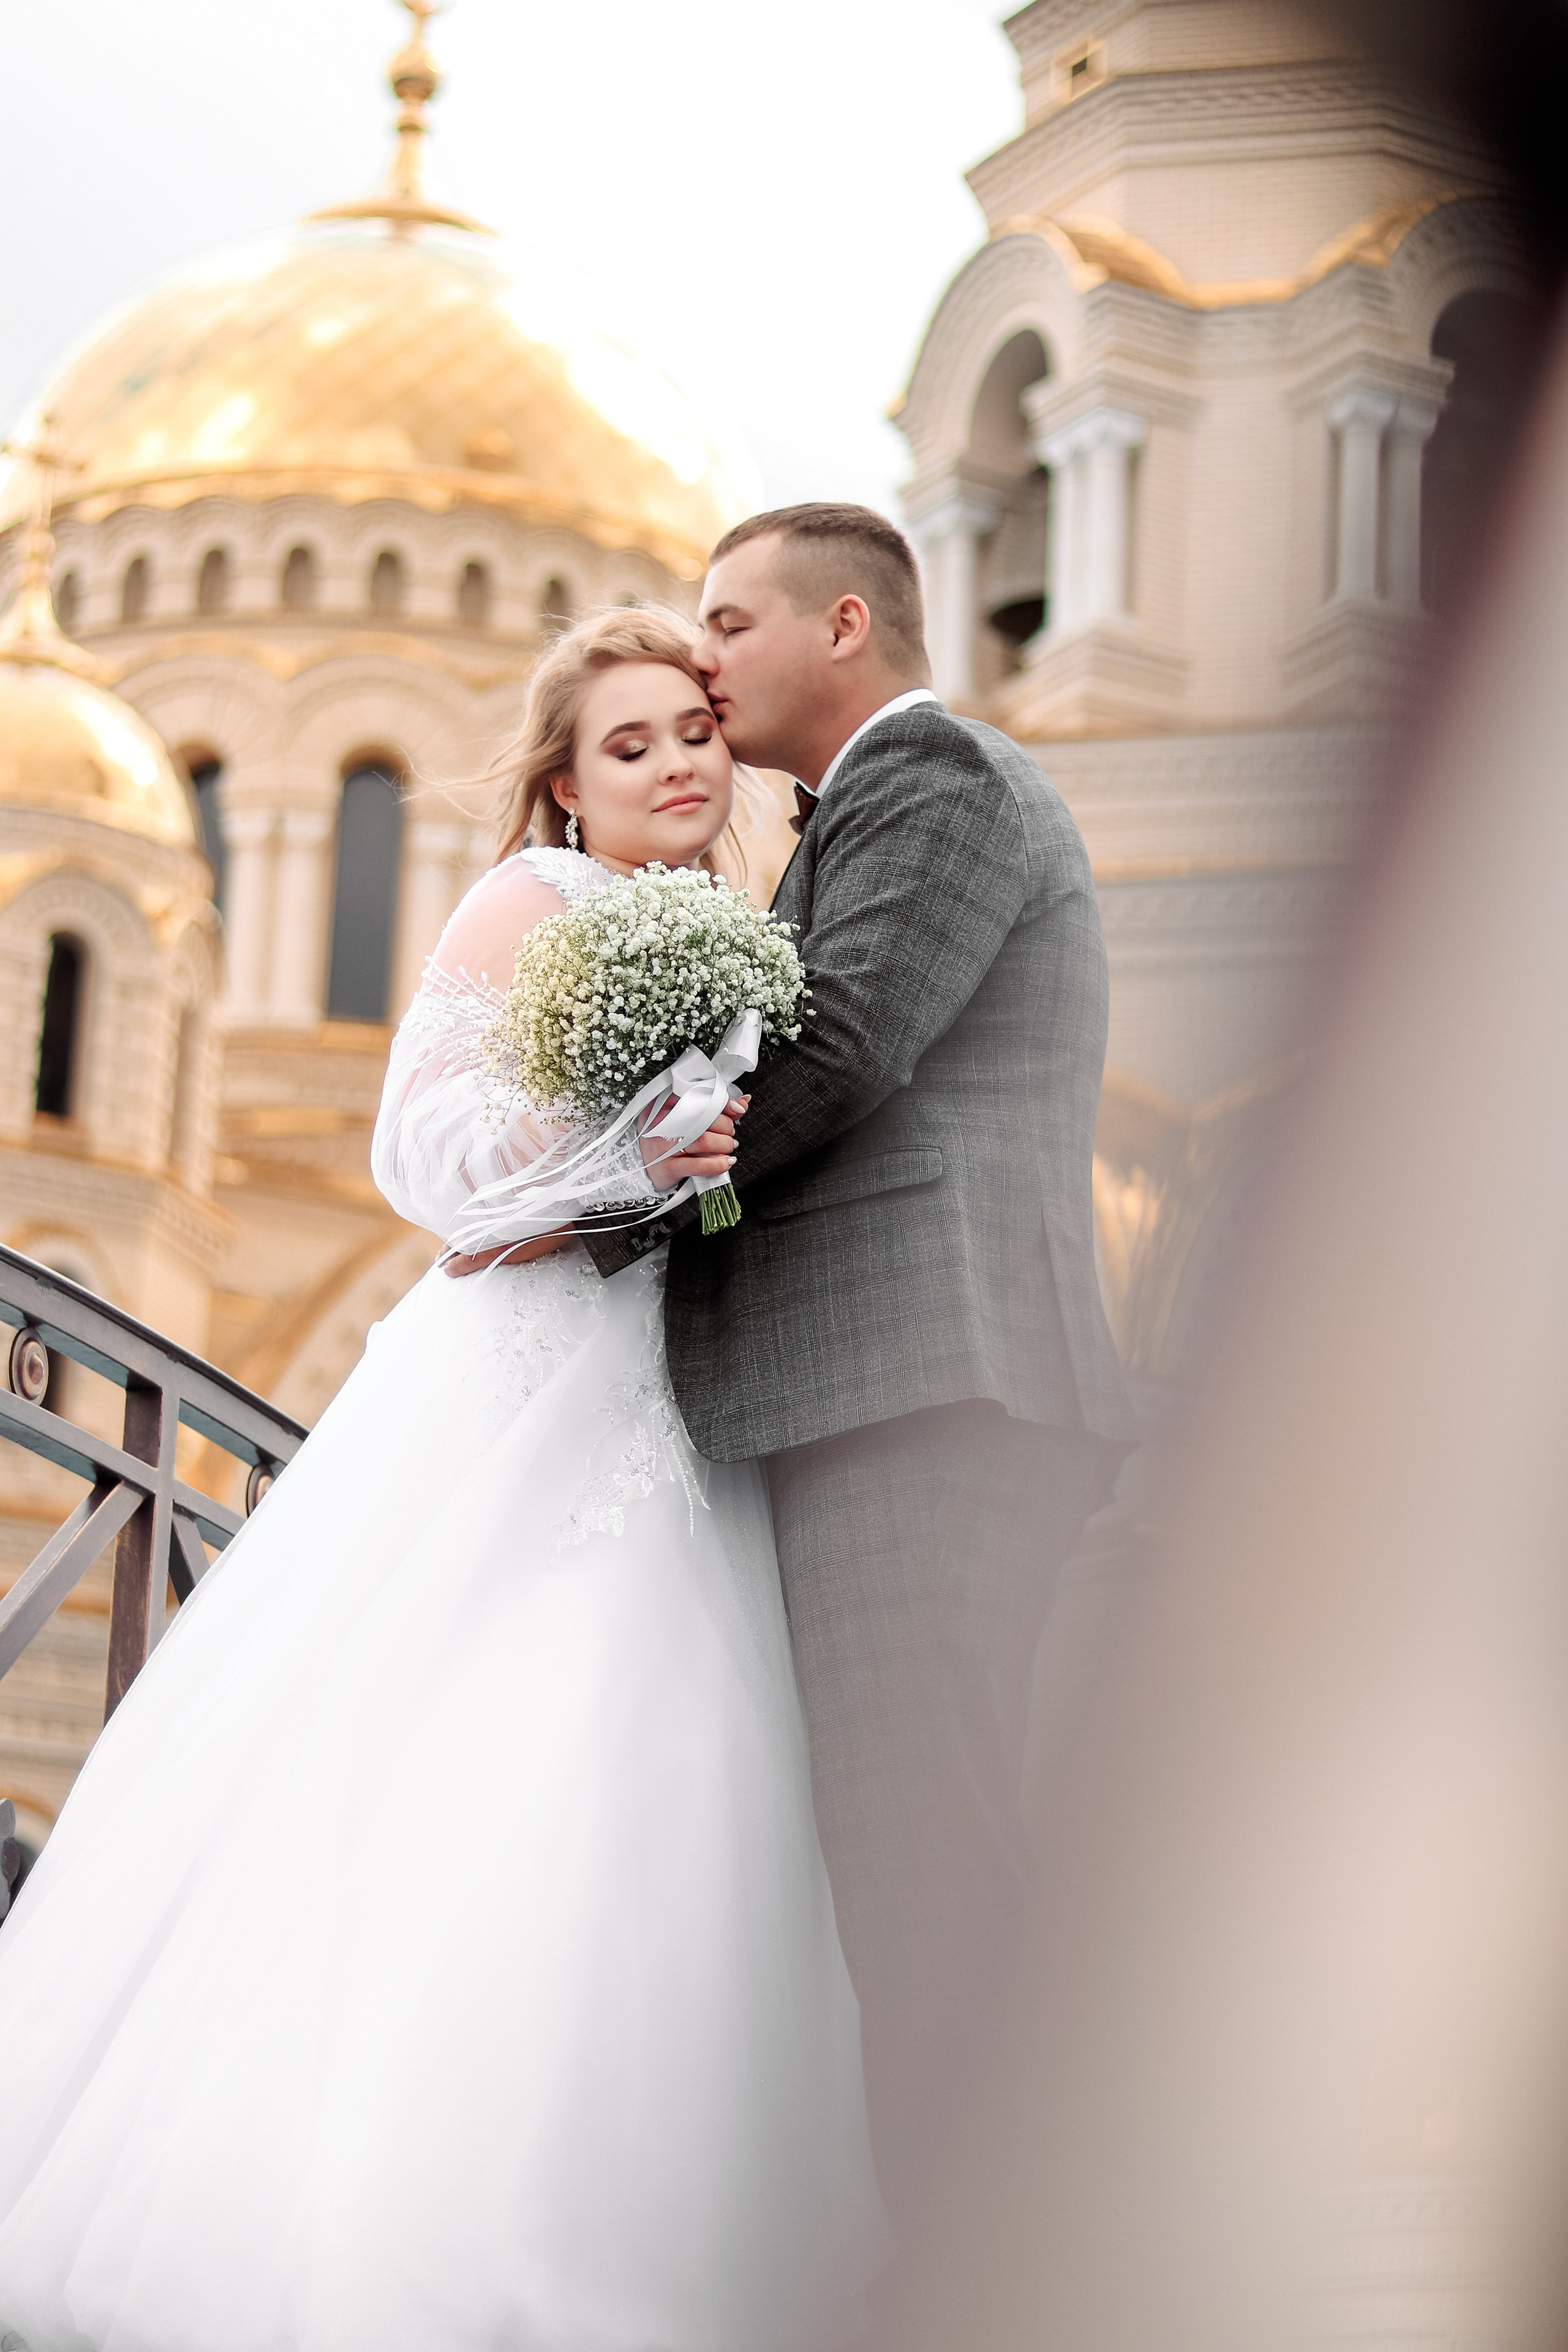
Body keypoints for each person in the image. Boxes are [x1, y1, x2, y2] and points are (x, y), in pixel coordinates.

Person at [0, 608, 887, 2352]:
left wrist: (699, 1170)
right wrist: (614, 1162)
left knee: (662, 1773)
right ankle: (388, 2240)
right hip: (534, 1380)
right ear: (565, 782)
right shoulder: (530, 905)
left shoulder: (733, 935)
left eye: (695, 732)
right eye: (626, 745)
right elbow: (433, 1152)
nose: (676, 766)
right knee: (484, 1735)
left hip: (677, 1385)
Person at [578, 505, 1140, 2230]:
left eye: (727, 625)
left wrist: (603, 1212)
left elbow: (844, 1044)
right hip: (887, 1384)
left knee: (924, 1846)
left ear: (843, 625)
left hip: (926, 1385)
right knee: (906, 1842)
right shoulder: (841, 822)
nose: (705, 660)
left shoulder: (938, 775)